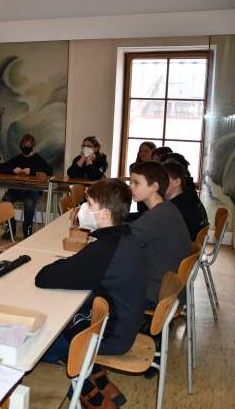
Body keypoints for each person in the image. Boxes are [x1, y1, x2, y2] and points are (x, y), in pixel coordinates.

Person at [36, 179, 146, 408]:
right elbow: (80, 268)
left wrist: (61, 266)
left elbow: (44, 278)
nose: (83, 208)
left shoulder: (104, 249)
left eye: (89, 203)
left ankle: (83, 387)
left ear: (104, 215)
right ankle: (95, 375)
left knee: (41, 348)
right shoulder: (126, 237)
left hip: (113, 337)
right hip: (126, 324)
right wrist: (71, 265)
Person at [129, 161, 190, 307]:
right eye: (130, 182)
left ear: (154, 187)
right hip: (165, 287)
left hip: (155, 293)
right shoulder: (167, 209)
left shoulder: (159, 215)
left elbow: (124, 238)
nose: (131, 187)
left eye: (136, 183)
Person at [0, 134, 52, 238]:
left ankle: (27, 229)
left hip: (34, 189)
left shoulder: (37, 158)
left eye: (28, 146)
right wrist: (12, 170)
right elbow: (0, 168)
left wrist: (31, 171)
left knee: (29, 201)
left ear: (33, 146)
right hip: (17, 189)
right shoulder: (18, 158)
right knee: (5, 199)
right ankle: (10, 228)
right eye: (23, 146)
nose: (25, 148)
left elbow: (49, 171)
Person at [163, 161, 208, 241]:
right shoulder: (188, 196)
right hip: (190, 243)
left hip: (183, 246)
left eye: (163, 179)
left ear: (177, 182)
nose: (157, 184)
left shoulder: (176, 207)